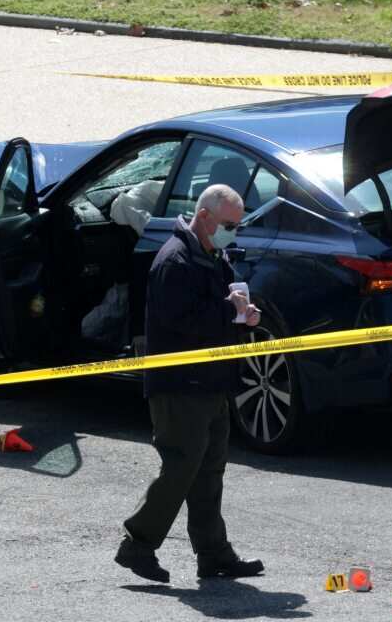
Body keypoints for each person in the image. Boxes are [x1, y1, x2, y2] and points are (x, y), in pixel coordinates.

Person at [115, 184, 264, 583]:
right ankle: (138, 543)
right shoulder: (175, 261)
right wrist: (229, 312)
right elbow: (183, 323)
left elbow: (222, 310)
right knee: (181, 467)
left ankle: (214, 553)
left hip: (211, 383)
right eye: (230, 224)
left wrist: (245, 315)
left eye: (238, 224)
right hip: (180, 385)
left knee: (209, 471)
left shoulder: (212, 255)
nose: (235, 231)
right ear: (204, 217)